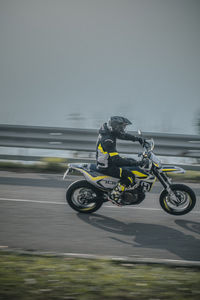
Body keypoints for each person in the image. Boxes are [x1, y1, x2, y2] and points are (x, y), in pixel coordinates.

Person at [96, 116, 146, 205]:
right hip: (106, 165)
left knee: (131, 161)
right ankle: (114, 195)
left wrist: (137, 139)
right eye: (122, 127)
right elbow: (117, 160)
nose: (123, 129)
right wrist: (137, 162)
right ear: (116, 126)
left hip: (108, 160)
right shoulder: (108, 140)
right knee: (130, 175)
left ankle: (128, 190)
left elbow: (123, 135)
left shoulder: (109, 131)